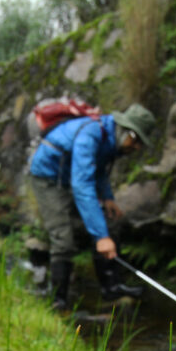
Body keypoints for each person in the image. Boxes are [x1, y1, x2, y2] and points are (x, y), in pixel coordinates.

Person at [29, 102, 155, 310]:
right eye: (137, 140)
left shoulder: (110, 138)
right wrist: (100, 237)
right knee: (63, 237)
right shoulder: (90, 135)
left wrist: (107, 198)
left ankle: (111, 289)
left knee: (110, 223)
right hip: (48, 178)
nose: (137, 147)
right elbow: (82, 186)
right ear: (127, 132)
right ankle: (58, 301)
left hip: (71, 175)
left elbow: (100, 170)